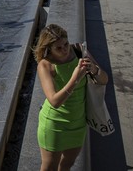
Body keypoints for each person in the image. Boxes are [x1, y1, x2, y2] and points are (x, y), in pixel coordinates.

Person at [35, 24, 108, 171]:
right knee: (49, 167)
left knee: (67, 165)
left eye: (65, 44)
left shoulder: (79, 50)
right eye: (58, 48)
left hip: (78, 124)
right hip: (54, 125)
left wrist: (93, 69)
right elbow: (54, 101)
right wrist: (76, 78)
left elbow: (104, 80)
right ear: (48, 49)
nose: (64, 49)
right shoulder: (46, 65)